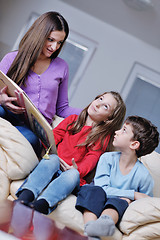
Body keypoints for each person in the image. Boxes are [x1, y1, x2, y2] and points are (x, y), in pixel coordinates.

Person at [15, 91, 126, 215]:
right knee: (52, 159)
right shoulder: (72, 119)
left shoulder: (101, 137)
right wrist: (45, 145)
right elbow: (53, 137)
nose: (99, 104)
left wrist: (77, 169)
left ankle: (41, 205)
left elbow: (92, 158)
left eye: (106, 106)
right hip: (54, 164)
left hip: (69, 173)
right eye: (100, 99)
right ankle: (24, 197)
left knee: (73, 174)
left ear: (108, 119)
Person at [0, 11, 81, 156]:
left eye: (60, 42)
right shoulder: (11, 58)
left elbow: (62, 108)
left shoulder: (62, 67)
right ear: (39, 35)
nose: (54, 47)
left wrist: (88, 112)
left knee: (28, 139)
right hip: (7, 113)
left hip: (33, 129)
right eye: (50, 39)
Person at [75, 115, 159, 239]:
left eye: (124, 130)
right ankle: (91, 229)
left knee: (120, 201)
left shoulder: (144, 176)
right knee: (92, 189)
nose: (116, 132)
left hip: (114, 208)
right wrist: (133, 194)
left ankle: (105, 223)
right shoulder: (107, 158)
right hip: (96, 195)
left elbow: (145, 203)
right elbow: (101, 188)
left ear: (134, 144)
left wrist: (127, 200)